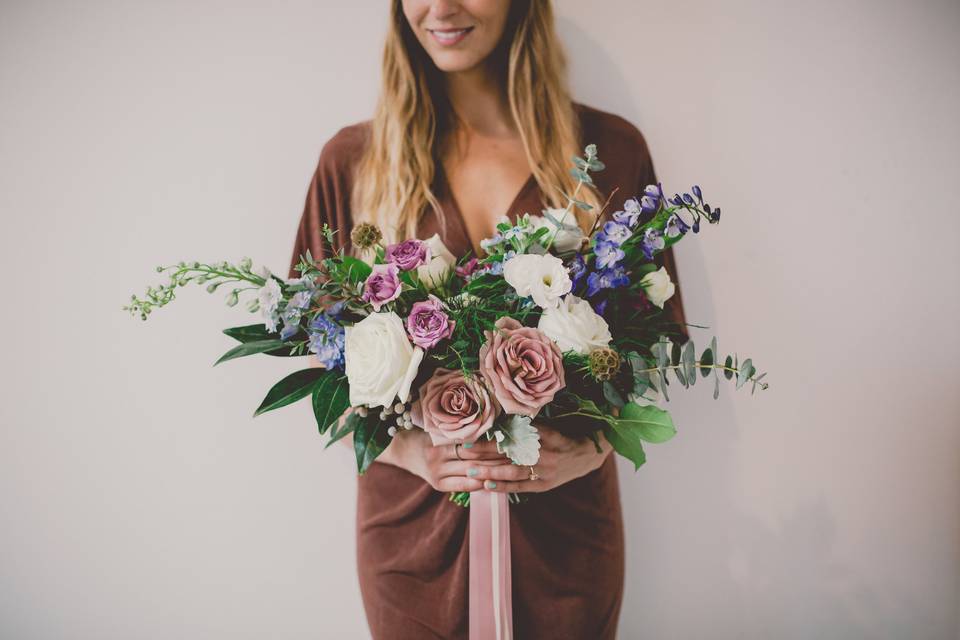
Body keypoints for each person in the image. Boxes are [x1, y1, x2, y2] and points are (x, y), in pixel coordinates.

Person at [287, 1, 686, 638]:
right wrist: (412, 452)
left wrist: (587, 454)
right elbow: (315, 364)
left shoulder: (611, 151)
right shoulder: (352, 162)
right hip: (412, 541)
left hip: (565, 539)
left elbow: (658, 352)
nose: (441, 7)